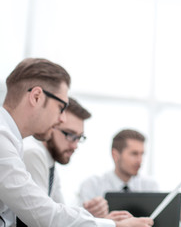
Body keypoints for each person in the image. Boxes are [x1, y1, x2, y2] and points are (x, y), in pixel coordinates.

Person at [0, 58, 153, 227]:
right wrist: (115, 226)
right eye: (61, 107)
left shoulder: (11, 142)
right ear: (36, 97)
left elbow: (49, 211)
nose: (61, 119)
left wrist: (96, 220)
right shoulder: (3, 141)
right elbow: (43, 215)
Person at [22, 97, 126, 220]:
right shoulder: (34, 154)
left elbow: (59, 215)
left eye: (79, 137)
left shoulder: (50, 162)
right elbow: (44, 220)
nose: (74, 145)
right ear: (52, 125)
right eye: (70, 135)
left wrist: (90, 215)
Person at [78, 129, 159, 203]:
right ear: (115, 155)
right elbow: (83, 218)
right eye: (134, 154)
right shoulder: (93, 186)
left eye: (142, 154)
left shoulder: (150, 187)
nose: (140, 160)